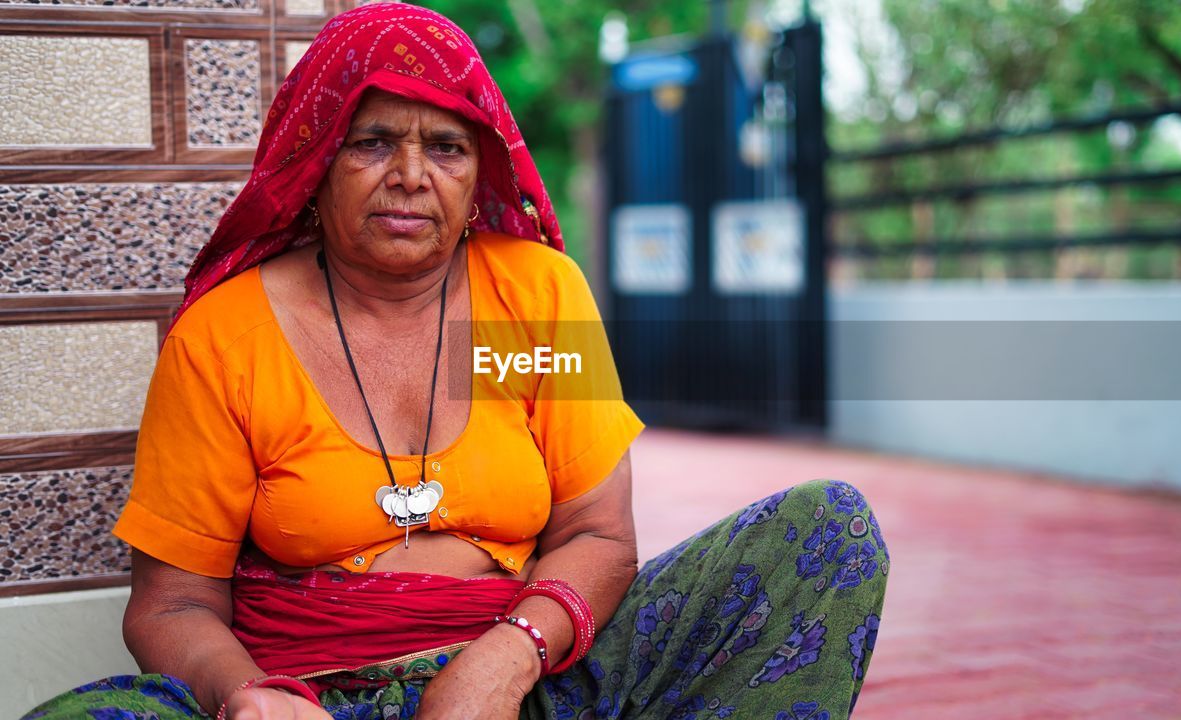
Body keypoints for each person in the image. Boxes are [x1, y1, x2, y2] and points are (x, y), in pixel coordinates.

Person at [21, 5, 888, 719]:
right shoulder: (225, 334)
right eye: (371, 142)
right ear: (315, 165)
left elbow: (599, 537)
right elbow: (172, 606)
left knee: (826, 531)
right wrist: (247, 696)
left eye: (446, 147)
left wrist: (503, 664)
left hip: (529, 684)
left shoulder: (538, 294)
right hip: (312, 699)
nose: (409, 174)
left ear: (481, 175)